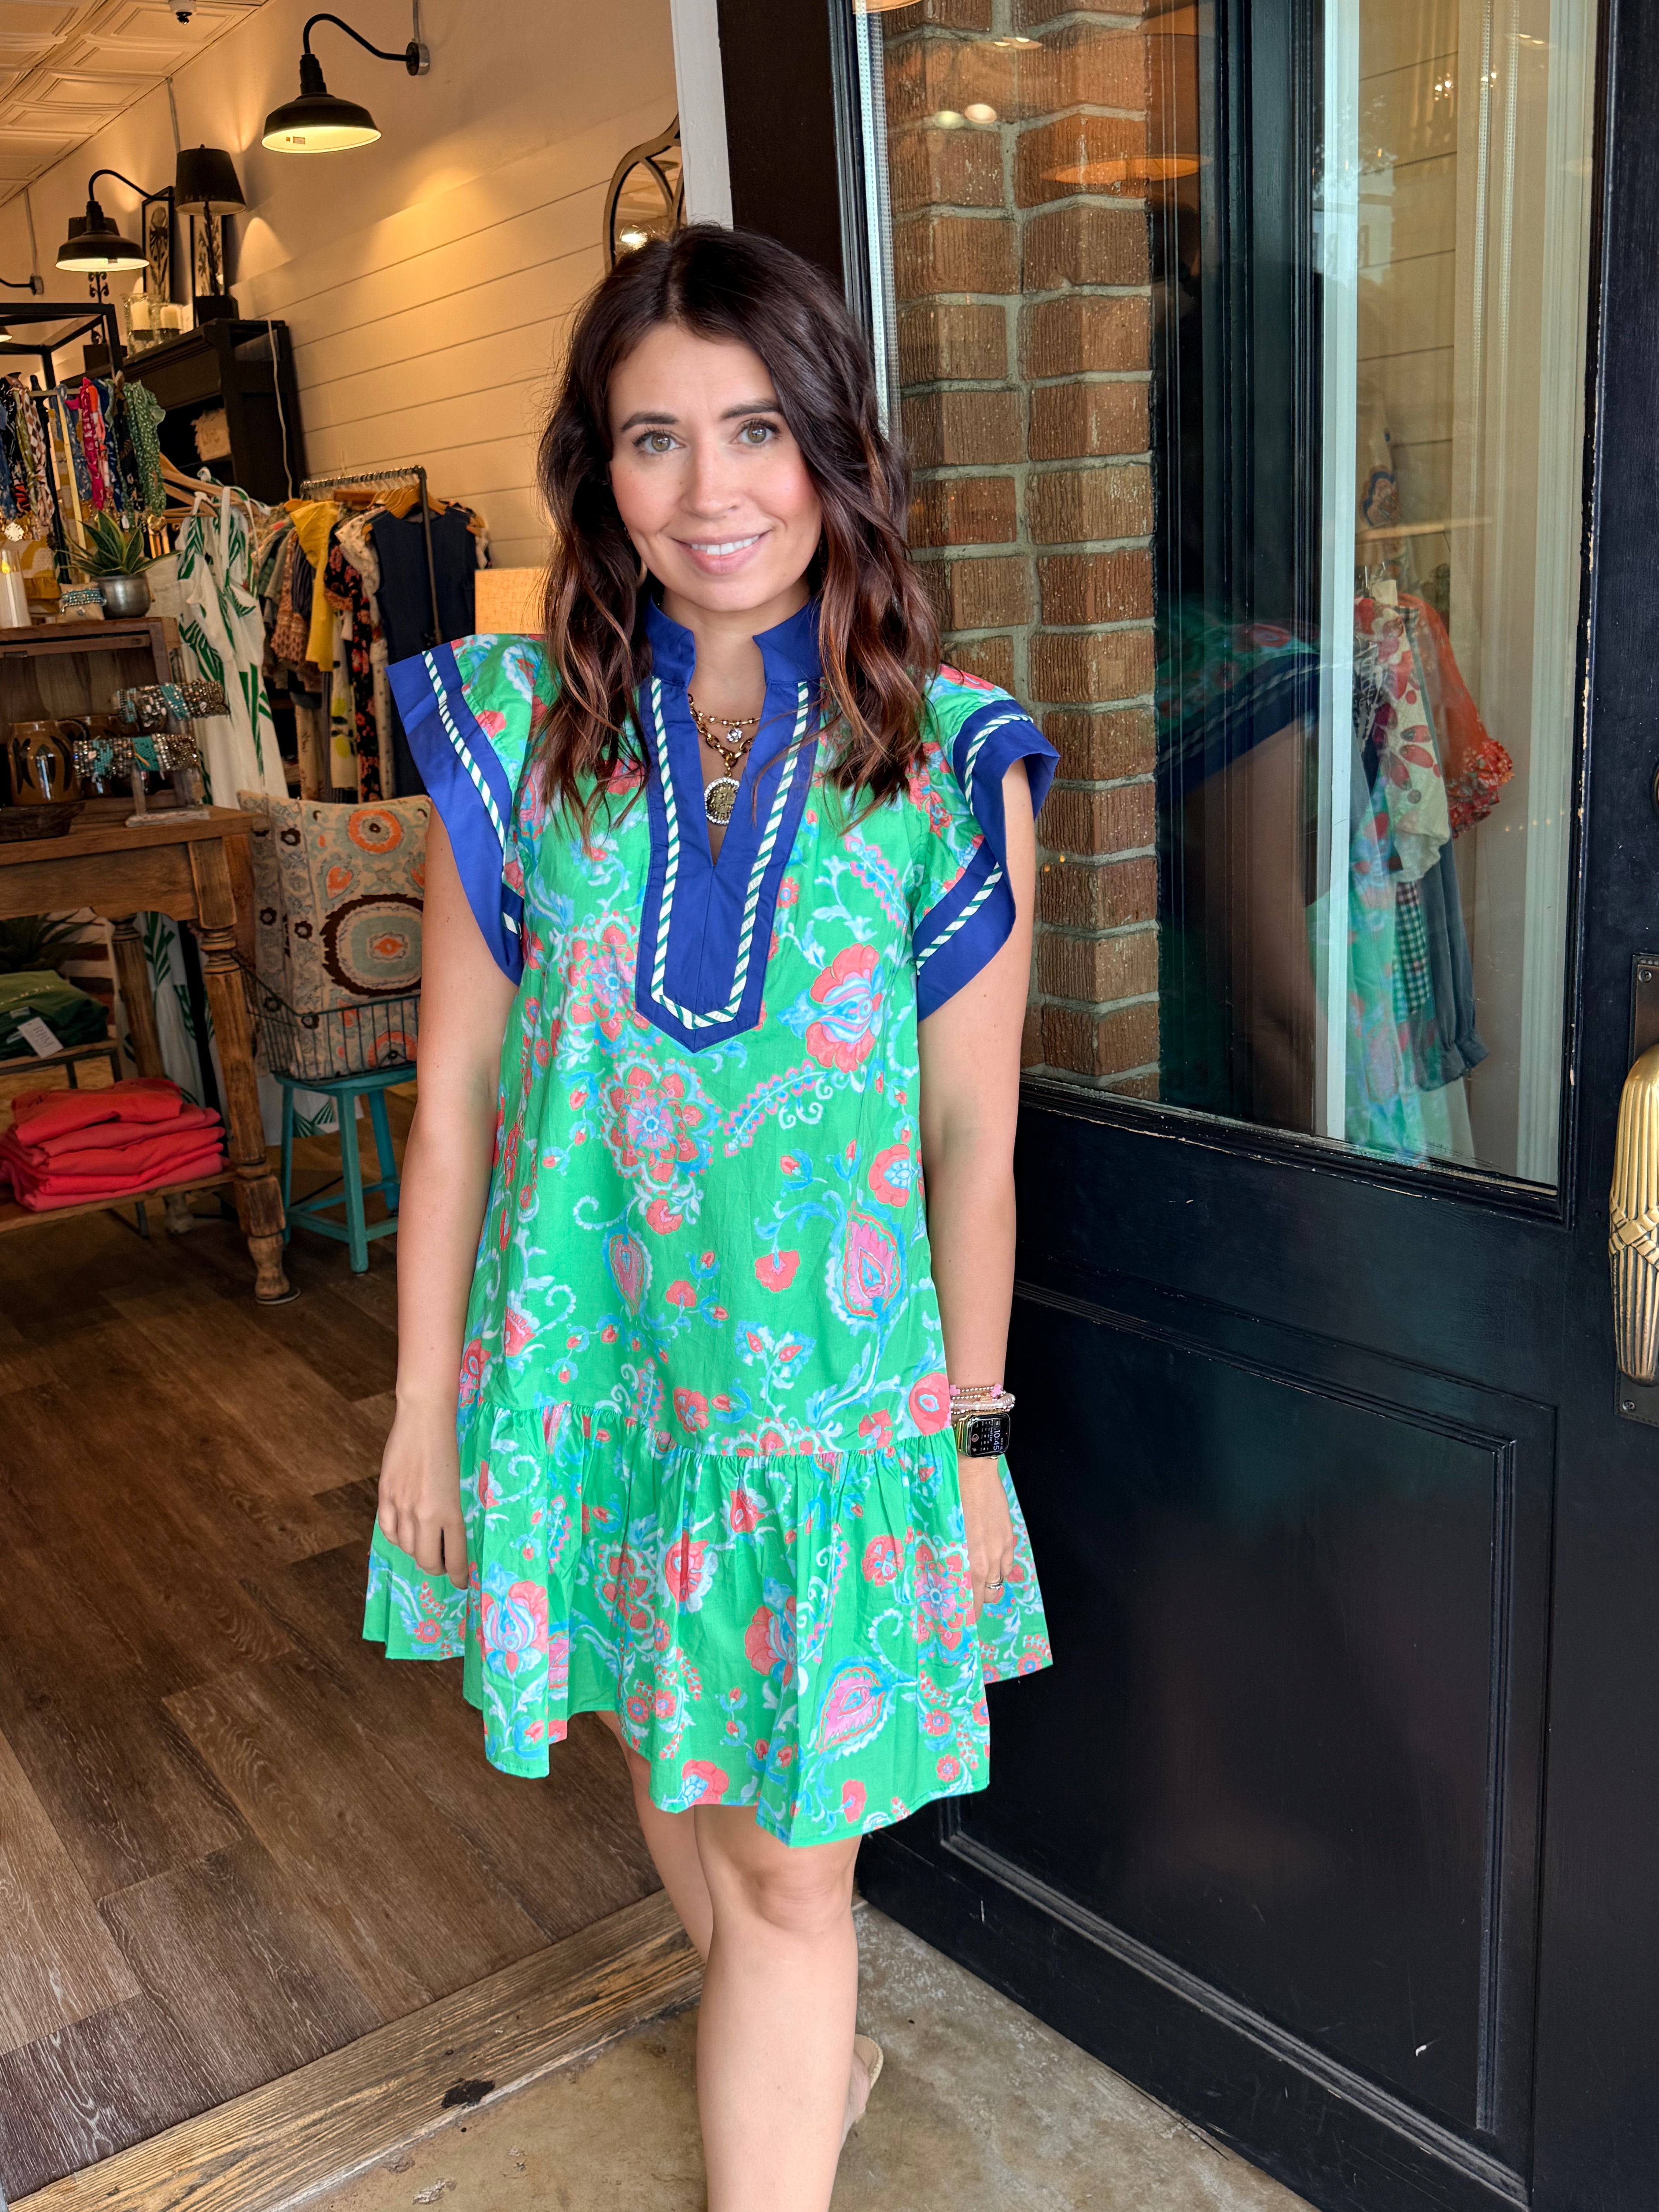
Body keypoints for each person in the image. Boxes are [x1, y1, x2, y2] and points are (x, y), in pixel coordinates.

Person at [366, 223, 1054, 2212]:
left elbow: (974, 1144)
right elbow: (456, 1104)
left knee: (788, 1877)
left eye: (756, 429)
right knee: (667, 1753)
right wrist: (424, 1408)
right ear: (599, 471)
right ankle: (807, 2062)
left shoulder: (950, 760)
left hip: (827, 1428)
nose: (709, 489)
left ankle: (786, 2069)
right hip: (590, 1393)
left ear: (833, 444)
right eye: (652, 439)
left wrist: (975, 1442)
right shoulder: (521, 734)